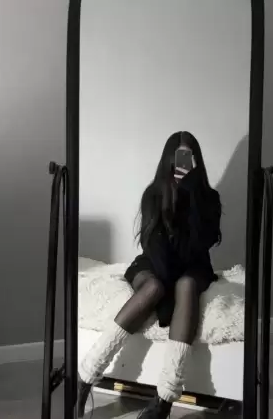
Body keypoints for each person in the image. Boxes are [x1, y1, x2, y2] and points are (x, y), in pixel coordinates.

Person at [78, 131, 222, 418]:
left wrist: (190, 194)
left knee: (187, 285)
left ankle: (164, 401)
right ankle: (85, 377)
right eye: (178, 156)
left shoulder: (208, 198)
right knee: (154, 288)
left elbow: (199, 246)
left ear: (197, 161)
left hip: (193, 267)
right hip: (154, 264)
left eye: (189, 156)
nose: (183, 162)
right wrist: (166, 295)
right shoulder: (153, 195)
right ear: (168, 159)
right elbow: (154, 249)